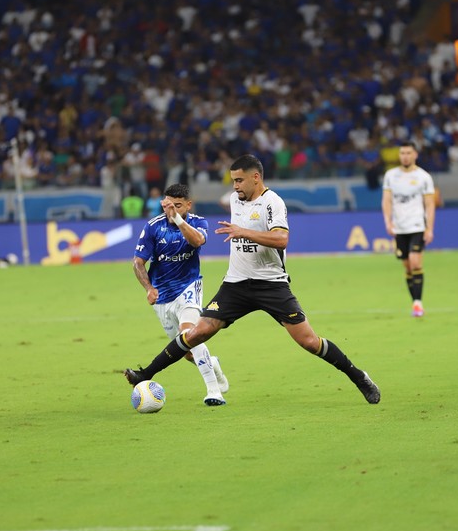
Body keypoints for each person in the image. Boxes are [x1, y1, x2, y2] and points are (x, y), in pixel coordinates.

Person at [124, 155, 380, 404]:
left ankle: (359, 377)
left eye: (239, 181)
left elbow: (282, 239)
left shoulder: (273, 203)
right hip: (236, 284)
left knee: (309, 342)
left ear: (255, 178)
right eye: (233, 181)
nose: (235, 187)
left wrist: (241, 232)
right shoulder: (236, 199)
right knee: (197, 332)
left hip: (271, 284)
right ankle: (145, 374)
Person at [132, 183, 230, 406]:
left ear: (188, 204)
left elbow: (196, 241)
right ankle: (212, 363)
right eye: (169, 205)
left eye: (178, 205)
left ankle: (214, 391)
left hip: (188, 288)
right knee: (186, 351)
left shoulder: (198, 222)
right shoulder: (152, 227)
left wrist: (178, 219)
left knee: (191, 334)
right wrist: (149, 288)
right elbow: (138, 263)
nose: (172, 209)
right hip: (162, 296)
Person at [381, 140, 436, 317]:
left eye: (408, 153)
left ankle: (418, 304)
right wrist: (388, 222)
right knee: (407, 267)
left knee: (415, 262)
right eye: (402, 153)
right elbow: (387, 200)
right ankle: (414, 302)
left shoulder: (424, 177)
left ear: (415, 155)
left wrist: (429, 228)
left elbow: (430, 204)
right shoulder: (391, 175)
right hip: (399, 227)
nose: (405, 156)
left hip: (417, 225)